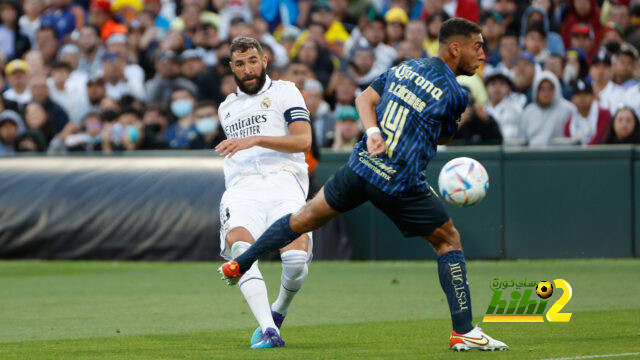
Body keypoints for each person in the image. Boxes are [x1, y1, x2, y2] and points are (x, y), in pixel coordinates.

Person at [218, 18, 508, 352]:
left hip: (360, 167)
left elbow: (363, 100)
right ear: (455, 48)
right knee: (449, 241)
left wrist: (372, 132)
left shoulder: (403, 68)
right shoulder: (456, 94)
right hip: (400, 182)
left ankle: (241, 262)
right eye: (478, 46)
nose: (483, 54)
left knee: (302, 219)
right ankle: (464, 330)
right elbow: (444, 134)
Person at [214, 37, 314, 349]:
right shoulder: (226, 108)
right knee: (241, 248)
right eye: (240, 64)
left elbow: (303, 141)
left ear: (265, 60)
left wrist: (254, 139)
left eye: (253, 61)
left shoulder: (285, 91)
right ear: (232, 67)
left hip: (285, 181)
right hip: (242, 187)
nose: (248, 69)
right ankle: (268, 329)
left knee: (296, 261)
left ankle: (278, 311)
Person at [564, 78, 611, 145]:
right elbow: (568, 144)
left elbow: (599, 140)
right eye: (578, 94)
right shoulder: (569, 122)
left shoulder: (604, 114)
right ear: (572, 99)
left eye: (585, 94)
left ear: (592, 97)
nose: (582, 97)